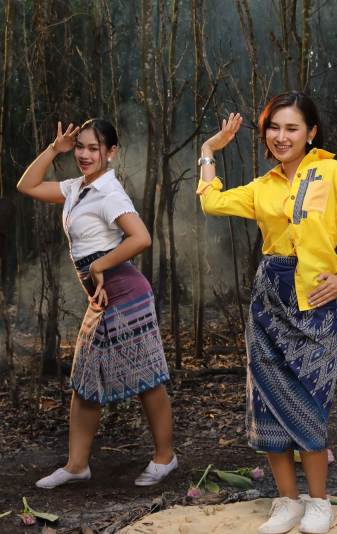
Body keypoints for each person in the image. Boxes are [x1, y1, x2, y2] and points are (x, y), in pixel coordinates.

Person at [197, 91, 337, 534]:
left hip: (316, 302)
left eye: (292, 128)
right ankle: (287, 501)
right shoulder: (262, 187)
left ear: (311, 132)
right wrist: (208, 150)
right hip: (269, 304)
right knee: (267, 399)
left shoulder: (331, 172)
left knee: (311, 401)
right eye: (274, 128)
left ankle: (318, 502)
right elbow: (211, 203)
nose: (281, 137)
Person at [17, 119, 177, 489]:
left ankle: (165, 458)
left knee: (147, 377)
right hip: (101, 299)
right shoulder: (76, 188)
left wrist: (100, 265)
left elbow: (141, 237)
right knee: (85, 380)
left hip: (127, 296)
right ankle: (77, 465)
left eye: (94, 148)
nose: (85, 155)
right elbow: (27, 185)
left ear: (111, 152)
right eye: (81, 147)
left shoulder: (110, 193)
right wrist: (54, 149)